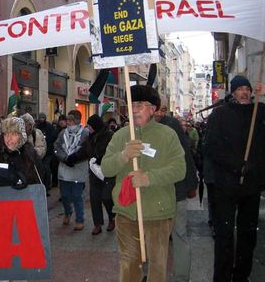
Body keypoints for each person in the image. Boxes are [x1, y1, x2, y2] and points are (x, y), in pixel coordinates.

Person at [203, 75, 265, 282]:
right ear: (233, 92)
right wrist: (237, 165)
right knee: (224, 236)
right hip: (226, 186)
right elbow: (210, 147)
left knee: (248, 235)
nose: (244, 92)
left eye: (247, 88)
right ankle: (222, 277)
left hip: (252, 186)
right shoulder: (219, 115)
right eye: (240, 89)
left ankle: (241, 276)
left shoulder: (261, 112)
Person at [101, 85, 186, 282]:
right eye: (131, 104)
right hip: (126, 212)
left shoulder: (168, 135)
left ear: (153, 108)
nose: (134, 108)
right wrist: (123, 156)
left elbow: (179, 169)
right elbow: (105, 168)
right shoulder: (120, 135)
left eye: (140, 104)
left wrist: (149, 178)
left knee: (157, 267)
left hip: (159, 213)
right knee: (129, 264)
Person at [154, 105, 199, 282]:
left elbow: (185, 159)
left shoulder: (165, 129)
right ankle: (181, 277)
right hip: (175, 191)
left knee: (159, 237)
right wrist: (192, 185)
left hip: (166, 191)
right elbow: (187, 158)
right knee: (178, 235)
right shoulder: (175, 130)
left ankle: (158, 276)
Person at [0, 117, 43, 191]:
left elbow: (38, 183)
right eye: (6, 134)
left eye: (13, 134)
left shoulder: (29, 154)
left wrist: (17, 178)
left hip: (23, 200)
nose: (9, 138)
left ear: (21, 136)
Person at [54, 110, 89, 231]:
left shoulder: (85, 133)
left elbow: (86, 150)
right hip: (64, 169)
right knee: (65, 195)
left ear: (76, 120)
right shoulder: (63, 133)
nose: (67, 122)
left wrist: (74, 159)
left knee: (77, 196)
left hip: (78, 168)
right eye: (67, 120)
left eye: (70, 120)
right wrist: (64, 158)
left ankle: (80, 220)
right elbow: (57, 147)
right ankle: (68, 212)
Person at [85, 114, 116, 235]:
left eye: (90, 126)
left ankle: (112, 217)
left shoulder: (110, 136)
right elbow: (84, 151)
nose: (89, 129)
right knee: (95, 198)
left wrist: (100, 158)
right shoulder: (90, 137)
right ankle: (97, 224)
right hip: (94, 173)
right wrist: (71, 158)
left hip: (107, 172)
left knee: (107, 197)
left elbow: (112, 151)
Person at [36, 112, 56, 191]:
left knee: (46, 167)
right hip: (39, 151)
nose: (41, 119)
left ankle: (47, 185)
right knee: (40, 168)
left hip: (48, 152)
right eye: (40, 118)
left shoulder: (49, 126)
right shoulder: (37, 126)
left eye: (43, 118)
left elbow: (53, 137)